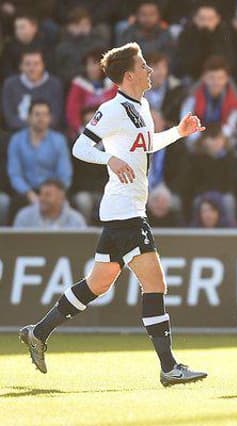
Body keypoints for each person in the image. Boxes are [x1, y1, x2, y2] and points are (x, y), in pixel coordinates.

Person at [19, 42, 208, 387]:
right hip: (125, 212)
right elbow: (80, 146)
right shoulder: (113, 109)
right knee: (155, 283)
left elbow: (145, 146)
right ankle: (169, 367)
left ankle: (38, 332)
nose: (150, 70)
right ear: (129, 74)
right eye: (145, 65)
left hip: (127, 209)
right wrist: (110, 158)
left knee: (98, 283)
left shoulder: (143, 106)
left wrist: (178, 133)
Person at [7, 100, 72, 220]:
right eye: (37, 114)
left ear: (50, 118)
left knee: (68, 206)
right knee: (14, 205)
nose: (41, 118)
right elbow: (14, 174)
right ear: (28, 117)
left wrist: (54, 193)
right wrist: (29, 193)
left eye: (45, 114)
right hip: (26, 191)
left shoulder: (59, 140)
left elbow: (65, 174)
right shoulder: (16, 140)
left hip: (52, 190)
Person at [2, 49, 64, 131]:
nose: (32, 68)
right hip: (16, 133)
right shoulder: (10, 84)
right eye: (27, 64)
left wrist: (38, 129)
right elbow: (9, 117)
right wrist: (31, 129)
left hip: (47, 133)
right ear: (20, 66)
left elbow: (55, 117)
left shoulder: (54, 85)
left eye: (36, 64)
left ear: (43, 65)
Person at [13, 179, 86, 229]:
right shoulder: (24, 216)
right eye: (40, 194)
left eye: (47, 195)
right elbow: (15, 246)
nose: (42, 198)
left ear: (61, 198)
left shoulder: (76, 220)